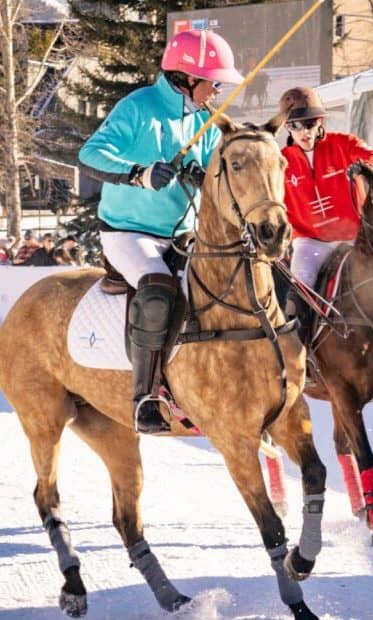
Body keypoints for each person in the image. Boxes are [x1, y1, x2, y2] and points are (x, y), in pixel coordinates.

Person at [78, 29, 243, 434]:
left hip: (184, 234)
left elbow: (211, 179)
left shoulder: (202, 119)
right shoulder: (138, 107)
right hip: (129, 233)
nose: (217, 90)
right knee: (158, 288)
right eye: (213, 81)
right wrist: (139, 173)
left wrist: (199, 175)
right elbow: (89, 155)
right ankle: (145, 398)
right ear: (187, 77)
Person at [277, 87, 373, 380]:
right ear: (287, 127)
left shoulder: (341, 144)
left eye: (310, 123)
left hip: (356, 239)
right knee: (301, 291)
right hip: (311, 241)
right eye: (296, 125)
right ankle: (303, 361)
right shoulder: (281, 161)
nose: (304, 131)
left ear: (320, 122)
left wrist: (367, 166)